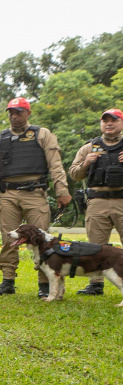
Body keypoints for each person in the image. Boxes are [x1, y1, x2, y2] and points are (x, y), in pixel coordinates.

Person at [0, 97, 71, 298]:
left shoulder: (42, 134)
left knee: (42, 239)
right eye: (11, 112)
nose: (14, 116)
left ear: (28, 113)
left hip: (35, 193)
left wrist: (62, 191)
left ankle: (44, 285)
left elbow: (55, 165)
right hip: (7, 194)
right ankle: (8, 280)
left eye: (18, 112)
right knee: (8, 238)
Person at [68, 109, 123, 296]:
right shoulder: (89, 147)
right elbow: (74, 174)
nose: (109, 123)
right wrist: (86, 163)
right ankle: (96, 284)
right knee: (96, 245)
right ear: (101, 124)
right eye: (105, 120)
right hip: (97, 200)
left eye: (114, 120)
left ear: (121, 123)